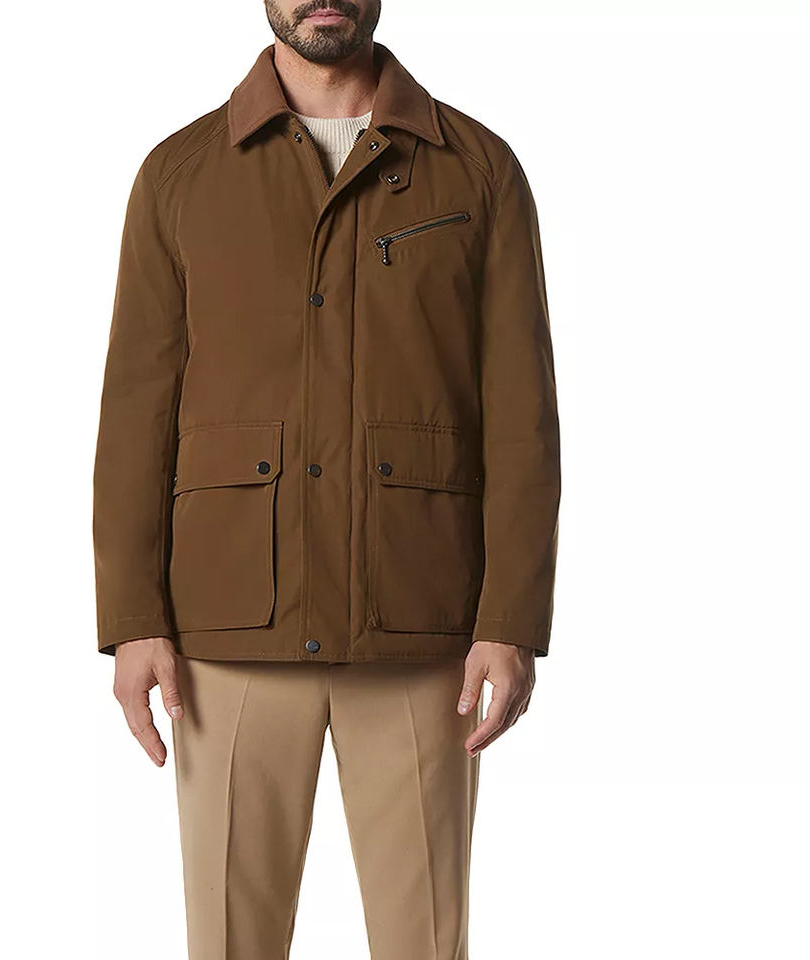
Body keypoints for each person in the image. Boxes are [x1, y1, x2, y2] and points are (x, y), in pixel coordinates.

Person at [92, 2, 560, 957]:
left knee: (427, 942)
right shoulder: (180, 174)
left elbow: (523, 417)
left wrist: (510, 619)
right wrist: (133, 618)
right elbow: (137, 411)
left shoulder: (479, 171)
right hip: (229, 631)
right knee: (230, 942)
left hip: (421, 627)